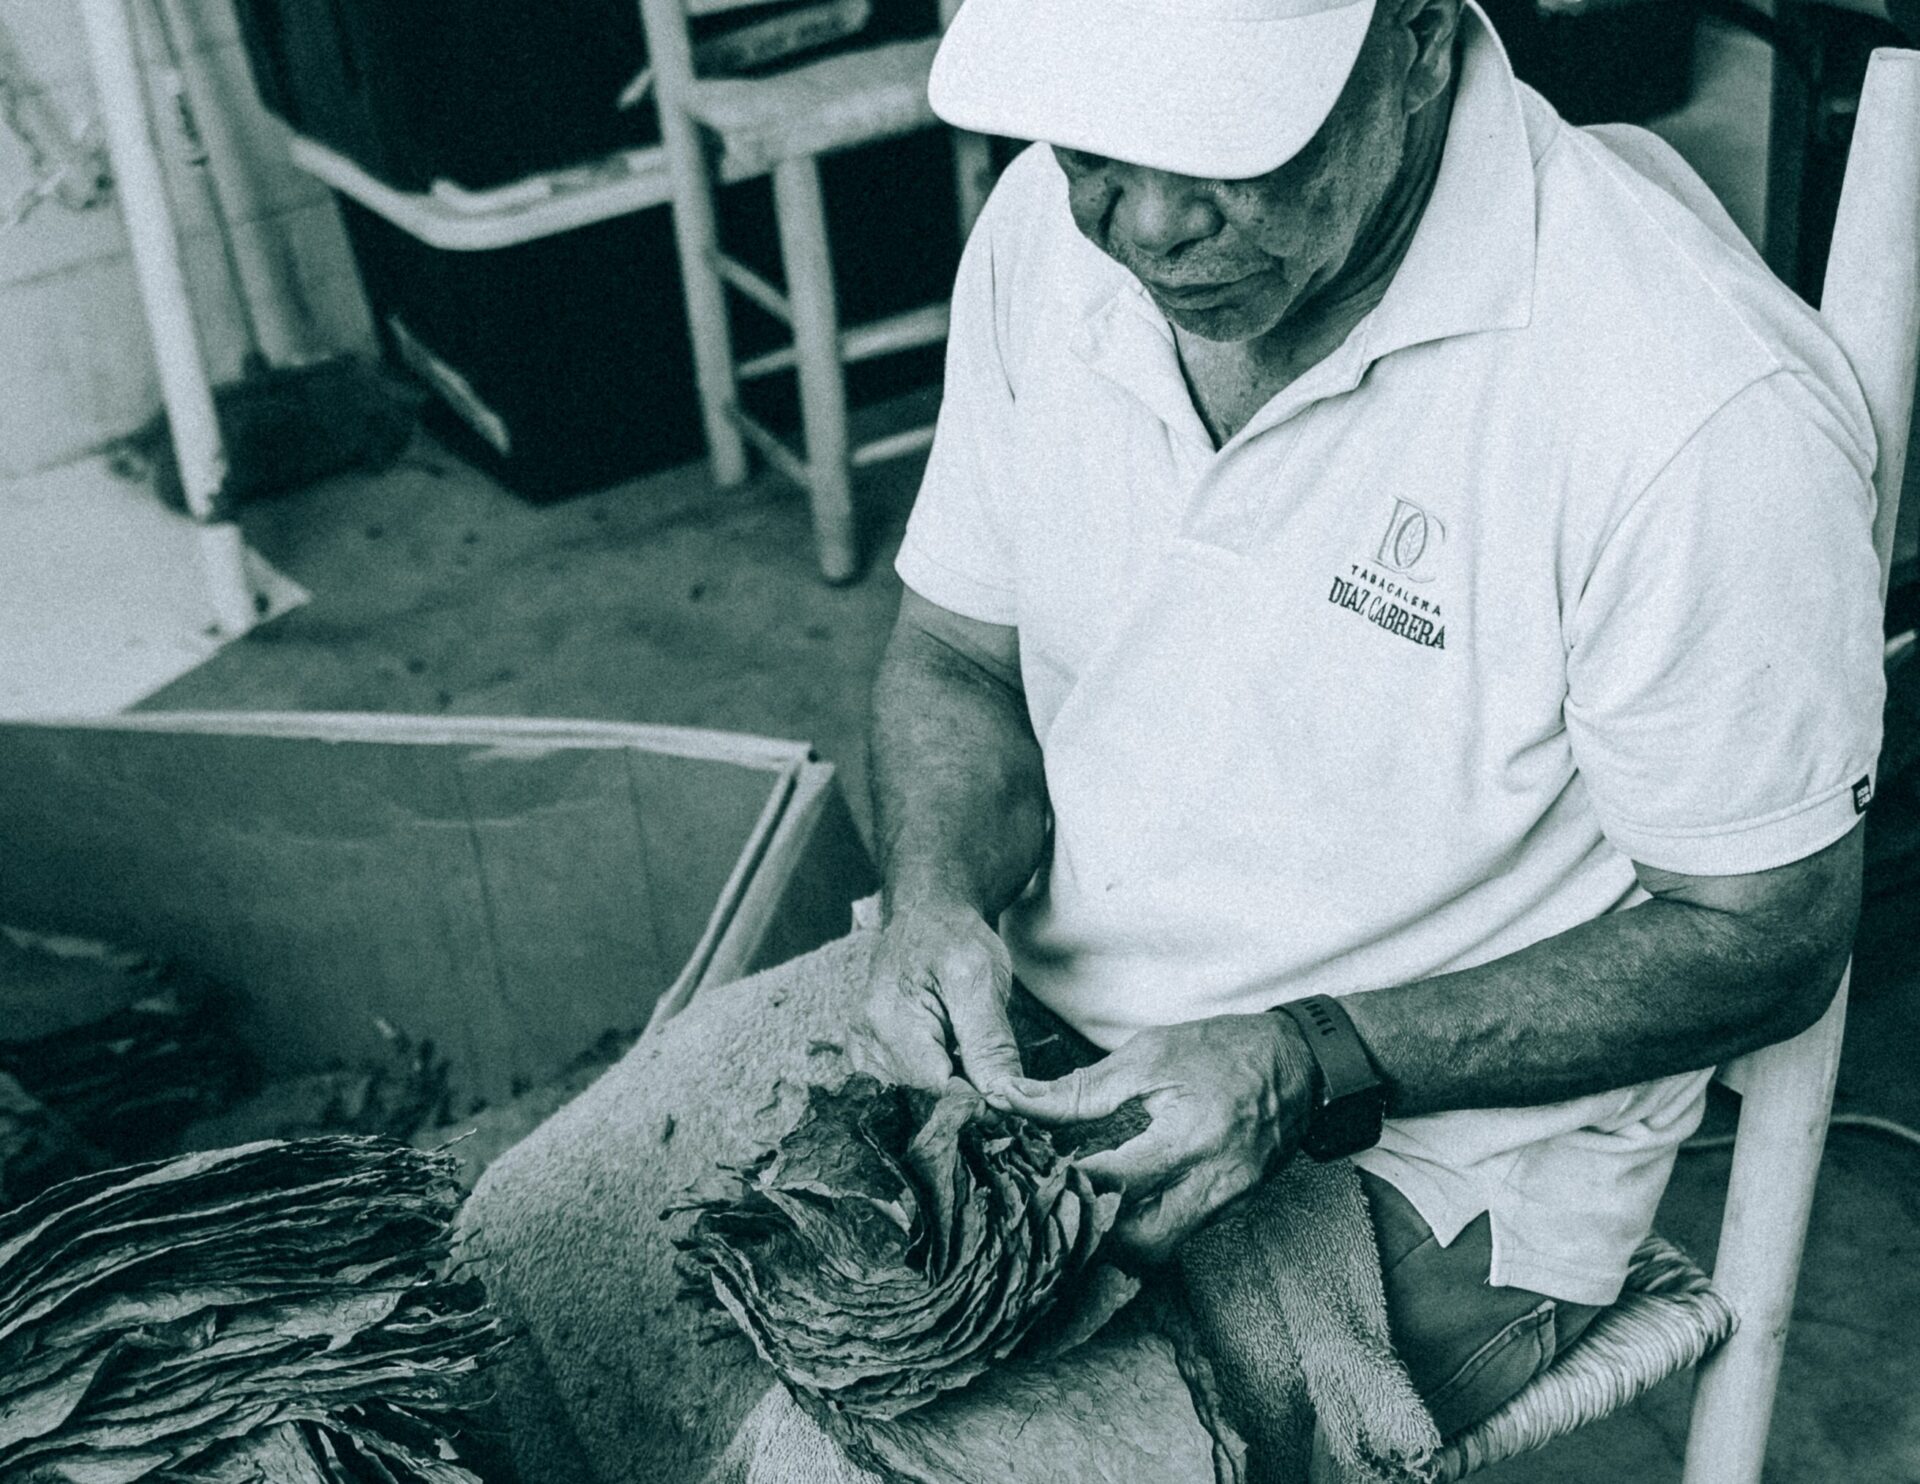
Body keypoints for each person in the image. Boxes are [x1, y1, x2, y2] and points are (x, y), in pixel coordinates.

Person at [852, 0, 1887, 1440]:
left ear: (1410, 41)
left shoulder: (1693, 405)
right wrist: (934, 898)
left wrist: (1307, 1058)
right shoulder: (1041, 231)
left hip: (1430, 1156)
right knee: (580, 1287)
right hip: (1053, 1027)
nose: (1149, 225)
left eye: (1230, 153)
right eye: (1096, 148)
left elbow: (1762, 932)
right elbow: (960, 654)